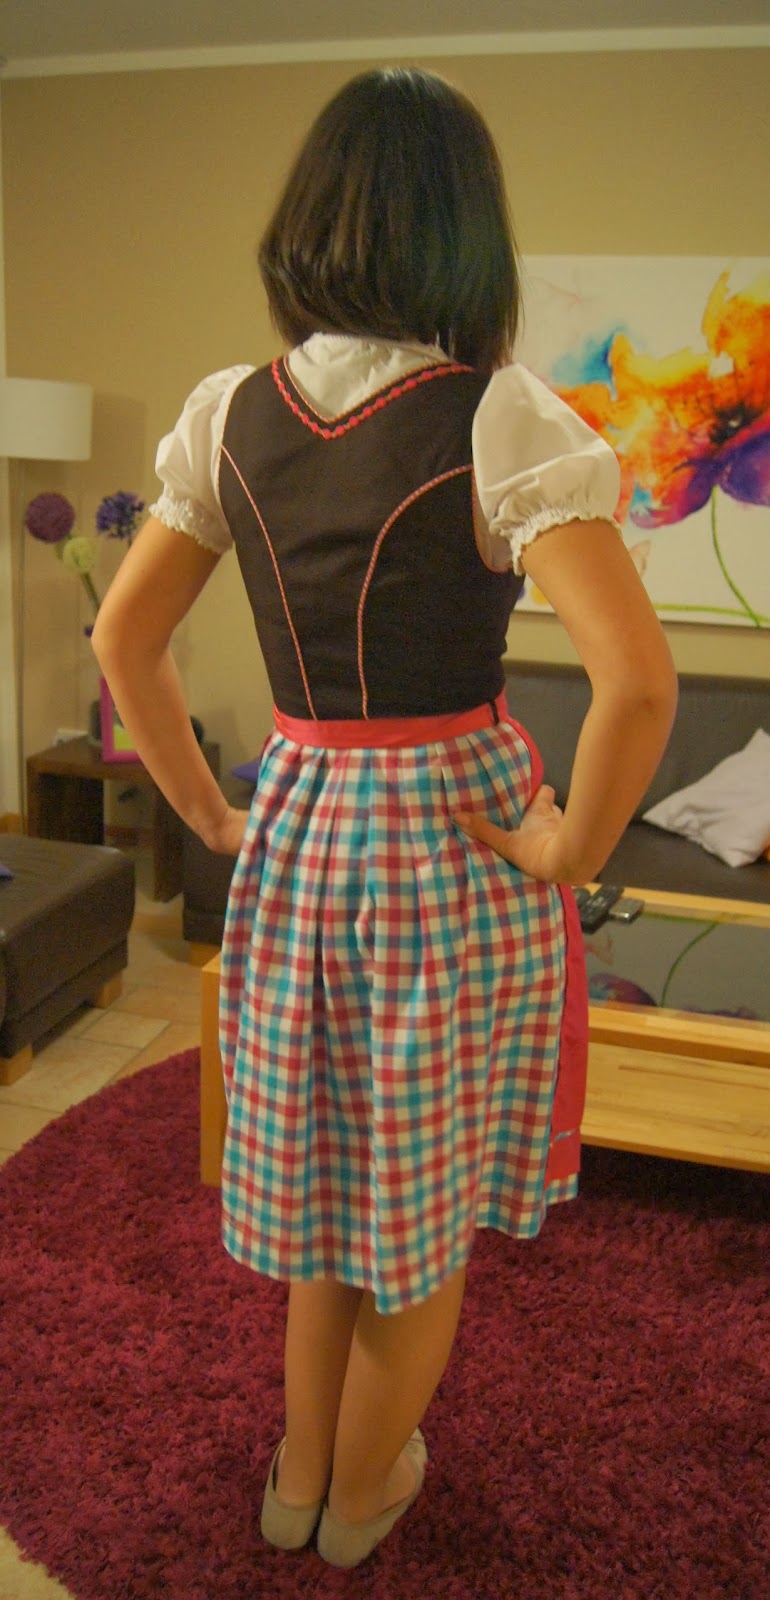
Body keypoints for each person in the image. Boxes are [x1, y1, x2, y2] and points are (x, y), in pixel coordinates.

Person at [92, 67, 678, 1570]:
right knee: (422, 1208)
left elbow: (123, 642)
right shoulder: (499, 414)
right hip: (449, 845)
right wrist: (568, 849)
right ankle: (363, 1500)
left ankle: (300, 1481)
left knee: (328, 1183)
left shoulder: (227, 410)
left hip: (300, 827)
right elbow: (636, 685)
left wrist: (215, 814)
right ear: (467, 234)